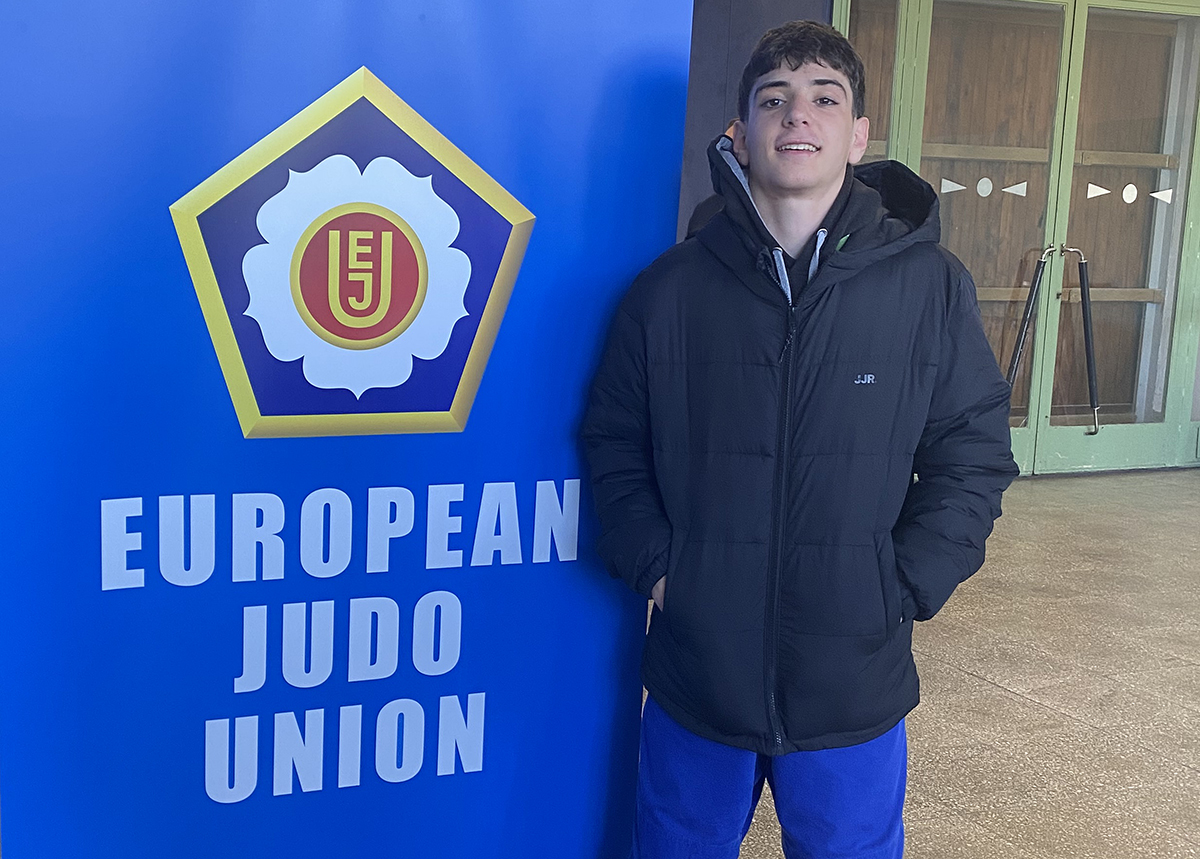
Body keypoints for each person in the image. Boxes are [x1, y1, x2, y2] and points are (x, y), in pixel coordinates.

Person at [581, 19, 1019, 859]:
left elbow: (973, 451)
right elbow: (613, 442)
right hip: (697, 674)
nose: (798, 116)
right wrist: (665, 573)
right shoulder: (668, 292)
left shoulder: (928, 287)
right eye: (773, 100)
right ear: (739, 134)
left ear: (857, 135)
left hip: (850, 678)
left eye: (825, 98)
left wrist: (903, 585)